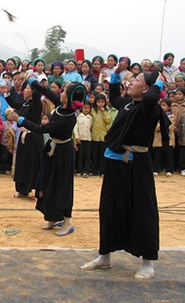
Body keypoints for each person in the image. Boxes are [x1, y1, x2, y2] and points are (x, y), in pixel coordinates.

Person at [81, 59, 167, 280]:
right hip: (116, 163)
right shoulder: (128, 105)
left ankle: (147, 262)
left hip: (137, 164)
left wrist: (157, 79)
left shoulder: (150, 109)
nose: (131, 82)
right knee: (109, 208)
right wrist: (117, 75)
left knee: (141, 209)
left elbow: (151, 98)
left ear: (147, 88)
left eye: (136, 80)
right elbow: (116, 97)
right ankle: (105, 256)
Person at [7, 81, 86, 236]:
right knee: (48, 182)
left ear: (68, 98)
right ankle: (52, 217)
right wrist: (34, 83)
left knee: (62, 185)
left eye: (64, 92)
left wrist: (19, 119)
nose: (60, 93)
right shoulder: (61, 106)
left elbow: (40, 129)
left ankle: (67, 221)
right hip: (53, 149)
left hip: (64, 152)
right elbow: (48, 93)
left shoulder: (67, 118)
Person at [90, 94, 112, 176]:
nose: (101, 104)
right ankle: (94, 170)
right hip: (95, 135)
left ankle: (102, 170)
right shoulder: (93, 110)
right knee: (95, 153)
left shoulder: (106, 111)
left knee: (102, 154)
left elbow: (108, 121)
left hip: (103, 135)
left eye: (102, 102)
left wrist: (103, 112)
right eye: (99, 102)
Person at [74, 102, 93, 177]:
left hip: (88, 139)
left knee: (87, 156)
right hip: (80, 139)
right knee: (80, 156)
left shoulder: (90, 118)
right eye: (85, 108)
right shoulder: (78, 117)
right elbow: (76, 128)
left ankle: (86, 171)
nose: (86, 110)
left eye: (88, 108)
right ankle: (79, 170)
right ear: (81, 108)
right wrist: (77, 137)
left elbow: (91, 128)